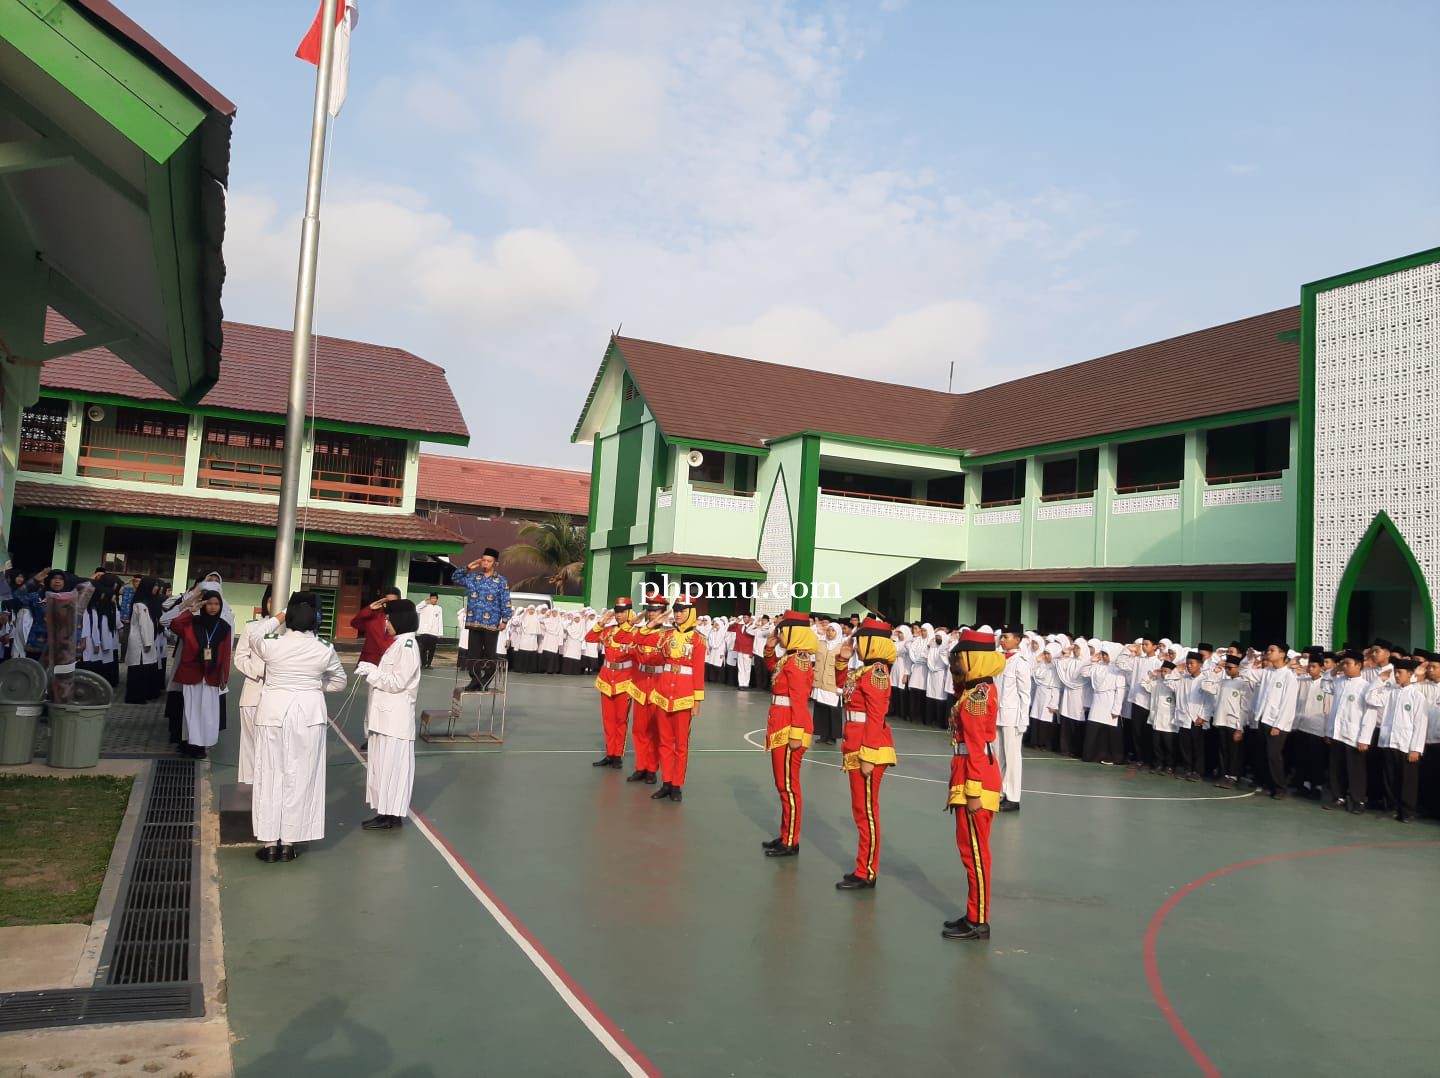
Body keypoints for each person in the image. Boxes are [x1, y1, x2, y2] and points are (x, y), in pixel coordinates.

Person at [238, 592, 347, 863]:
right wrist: (312, 686)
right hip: (308, 715)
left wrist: (280, 615)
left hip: (273, 713)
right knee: (300, 776)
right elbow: (339, 682)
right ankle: (289, 842)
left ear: (289, 621)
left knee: (269, 775)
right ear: (314, 623)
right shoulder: (324, 648)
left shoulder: (273, 644)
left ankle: (269, 842)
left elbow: (254, 635)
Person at [942, 628, 1004, 941]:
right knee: (969, 850)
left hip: (975, 773)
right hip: (966, 769)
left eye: (962, 656)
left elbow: (977, 743)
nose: (957, 660)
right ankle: (973, 912)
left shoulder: (980, 694)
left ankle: (979, 920)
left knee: (976, 853)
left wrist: (975, 789)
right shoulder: (973, 689)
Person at [836, 618, 897, 890]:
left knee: (867, 813)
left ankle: (867, 870)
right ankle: (863, 866)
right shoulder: (864, 671)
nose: (856, 644)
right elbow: (845, 690)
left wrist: (869, 755)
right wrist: (842, 660)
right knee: (861, 810)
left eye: (860, 640)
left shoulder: (877, 672)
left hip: (868, 748)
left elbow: (875, 715)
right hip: (856, 743)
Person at [355, 599, 422, 830]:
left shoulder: (407, 647)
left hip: (395, 719)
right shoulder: (398, 643)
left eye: (390, 619)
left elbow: (397, 682)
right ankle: (385, 811)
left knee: (394, 767)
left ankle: (393, 815)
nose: (387, 623)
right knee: (382, 766)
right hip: (385, 718)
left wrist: (372, 673)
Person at [761, 610, 816, 858]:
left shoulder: (799, 661)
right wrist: (769, 649)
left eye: (782, 631)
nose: (779, 634)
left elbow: (800, 699)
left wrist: (796, 733)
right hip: (781, 722)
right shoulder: (789, 658)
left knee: (788, 786)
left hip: (790, 726)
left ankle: (791, 840)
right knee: (782, 784)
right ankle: (786, 834)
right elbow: (773, 670)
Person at [648, 596, 706, 802]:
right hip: (663, 692)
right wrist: (651, 625)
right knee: (664, 741)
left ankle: (677, 785)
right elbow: (646, 649)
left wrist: (697, 701)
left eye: (682, 610)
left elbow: (699, 672)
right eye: (676, 610)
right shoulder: (665, 635)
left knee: (681, 744)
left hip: (684, 695)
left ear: (691, 613)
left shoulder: (699, 639)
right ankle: (666, 782)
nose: (678, 613)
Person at [169, 585, 231, 759]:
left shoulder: (224, 627)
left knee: (207, 712)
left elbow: (226, 654)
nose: (212, 607)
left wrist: (224, 676)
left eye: (216, 604)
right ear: (203, 605)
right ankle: (189, 744)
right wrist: (191, 610)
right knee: (191, 711)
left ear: (220, 606)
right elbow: (174, 625)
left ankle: (202, 745)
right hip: (192, 673)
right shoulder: (192, 623)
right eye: (209, 603)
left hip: (211, 675)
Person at [452, 549, 512, 691]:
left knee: (491, 656)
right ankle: (475, 680)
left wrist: (505, 620)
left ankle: (486, 680)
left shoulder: (501, 581)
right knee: (473, 655)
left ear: (495, 563)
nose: (485, 563)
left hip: (491, 624)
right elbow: (455, 578)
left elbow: (506, 601)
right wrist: (467, 567)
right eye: (483, 560)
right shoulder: (473, 578)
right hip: (474, 621)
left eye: (489, 561)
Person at [585, 598, 636, 768]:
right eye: (618, 612)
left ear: (629, 613)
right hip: (607, 678)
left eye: (623, 612)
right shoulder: (608, 631)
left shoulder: (634, 633)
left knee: (621, 720)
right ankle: (609, 753)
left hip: (624, 679)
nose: (619, 615)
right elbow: (589, 638)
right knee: (608, 719)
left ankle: (617, 755)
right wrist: (600, 623)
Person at [1374, 656, 1425, 822]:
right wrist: (1379, 680)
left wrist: (1415, 748)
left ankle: (1407, 811)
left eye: (1400, 673)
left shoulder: (1417, 696)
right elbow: (1370, 698)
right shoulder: (1390, 693)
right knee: (1390, 777)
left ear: (1410, 674)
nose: (1396, 676)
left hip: (1406, 744)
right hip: (1389, 741)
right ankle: (1392, 807)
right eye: (1395, 672)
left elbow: (1420, 724)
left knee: (1407, 780)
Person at [232, 587, 273, 785]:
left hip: (277, 695)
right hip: (253, 691)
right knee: (250, 742)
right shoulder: (252, 627)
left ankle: (267, 783)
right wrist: (257, 671)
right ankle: (248, 783)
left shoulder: (290, 631)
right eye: (270, 600)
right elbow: (240, 658)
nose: (273, 605)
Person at [627, 598, 669, 784]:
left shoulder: (668, 634)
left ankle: (652, 768)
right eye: (650, 610)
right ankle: (640, 766)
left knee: (655, 731)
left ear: (663, 612)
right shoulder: (640, 632)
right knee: (639, 730)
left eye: (656, 610)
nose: (652, 613)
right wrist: (641, 623)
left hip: (659, 684)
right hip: (641, 683)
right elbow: (629, 641)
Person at [994, 624, 1032, 810]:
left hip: (1012, 717)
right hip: (997, 715)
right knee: (997, 755)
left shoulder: (1021, 662)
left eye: (1006, 637)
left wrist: (1023, 720)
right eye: (1001, 636)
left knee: (1012, 757)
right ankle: (999, 792)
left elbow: (1025, 694)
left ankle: (1013, 797)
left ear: (1017, 640)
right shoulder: (999, 659)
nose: (1002, 640)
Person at [123, 578, 167, 702]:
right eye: (154, 586)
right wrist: (148, 642)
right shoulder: (142, 605)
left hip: (143, 641)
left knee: (141, 669)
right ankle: (135, 697)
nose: (156, 588)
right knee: (138, 670)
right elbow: (144, 625)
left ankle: (139, 695)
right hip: (141, 642)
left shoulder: (145, 602)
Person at [78, 574, 123, 686]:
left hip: (97, 644)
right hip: (90, 645)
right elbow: (89, 628)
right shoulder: (88, 610)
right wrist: (96, 643)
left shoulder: (94, 609)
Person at [811, 622, 843, 745]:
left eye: (833, 631)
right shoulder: (820, 643)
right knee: (820, 708)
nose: (830, 633)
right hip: (820, 681)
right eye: (828, 630)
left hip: (833, 682)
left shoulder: (841, 647)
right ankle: (822, 734)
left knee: (833, 710)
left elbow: (845, 667)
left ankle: (832, 736)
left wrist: (841, 686)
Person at [416, 594, 444, 669]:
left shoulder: (439, 608)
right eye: (432, 598)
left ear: (437, 599)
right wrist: (424, 602)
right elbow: (416, 608)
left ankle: (429, 664)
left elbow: (440, 620)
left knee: (432, 650)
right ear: (430, 599)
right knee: (423, 649)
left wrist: (440, 633)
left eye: (435, 598)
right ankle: (423, 663)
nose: (433, 599)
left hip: (434, 633)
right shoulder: (424, 606)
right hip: (424, 631)